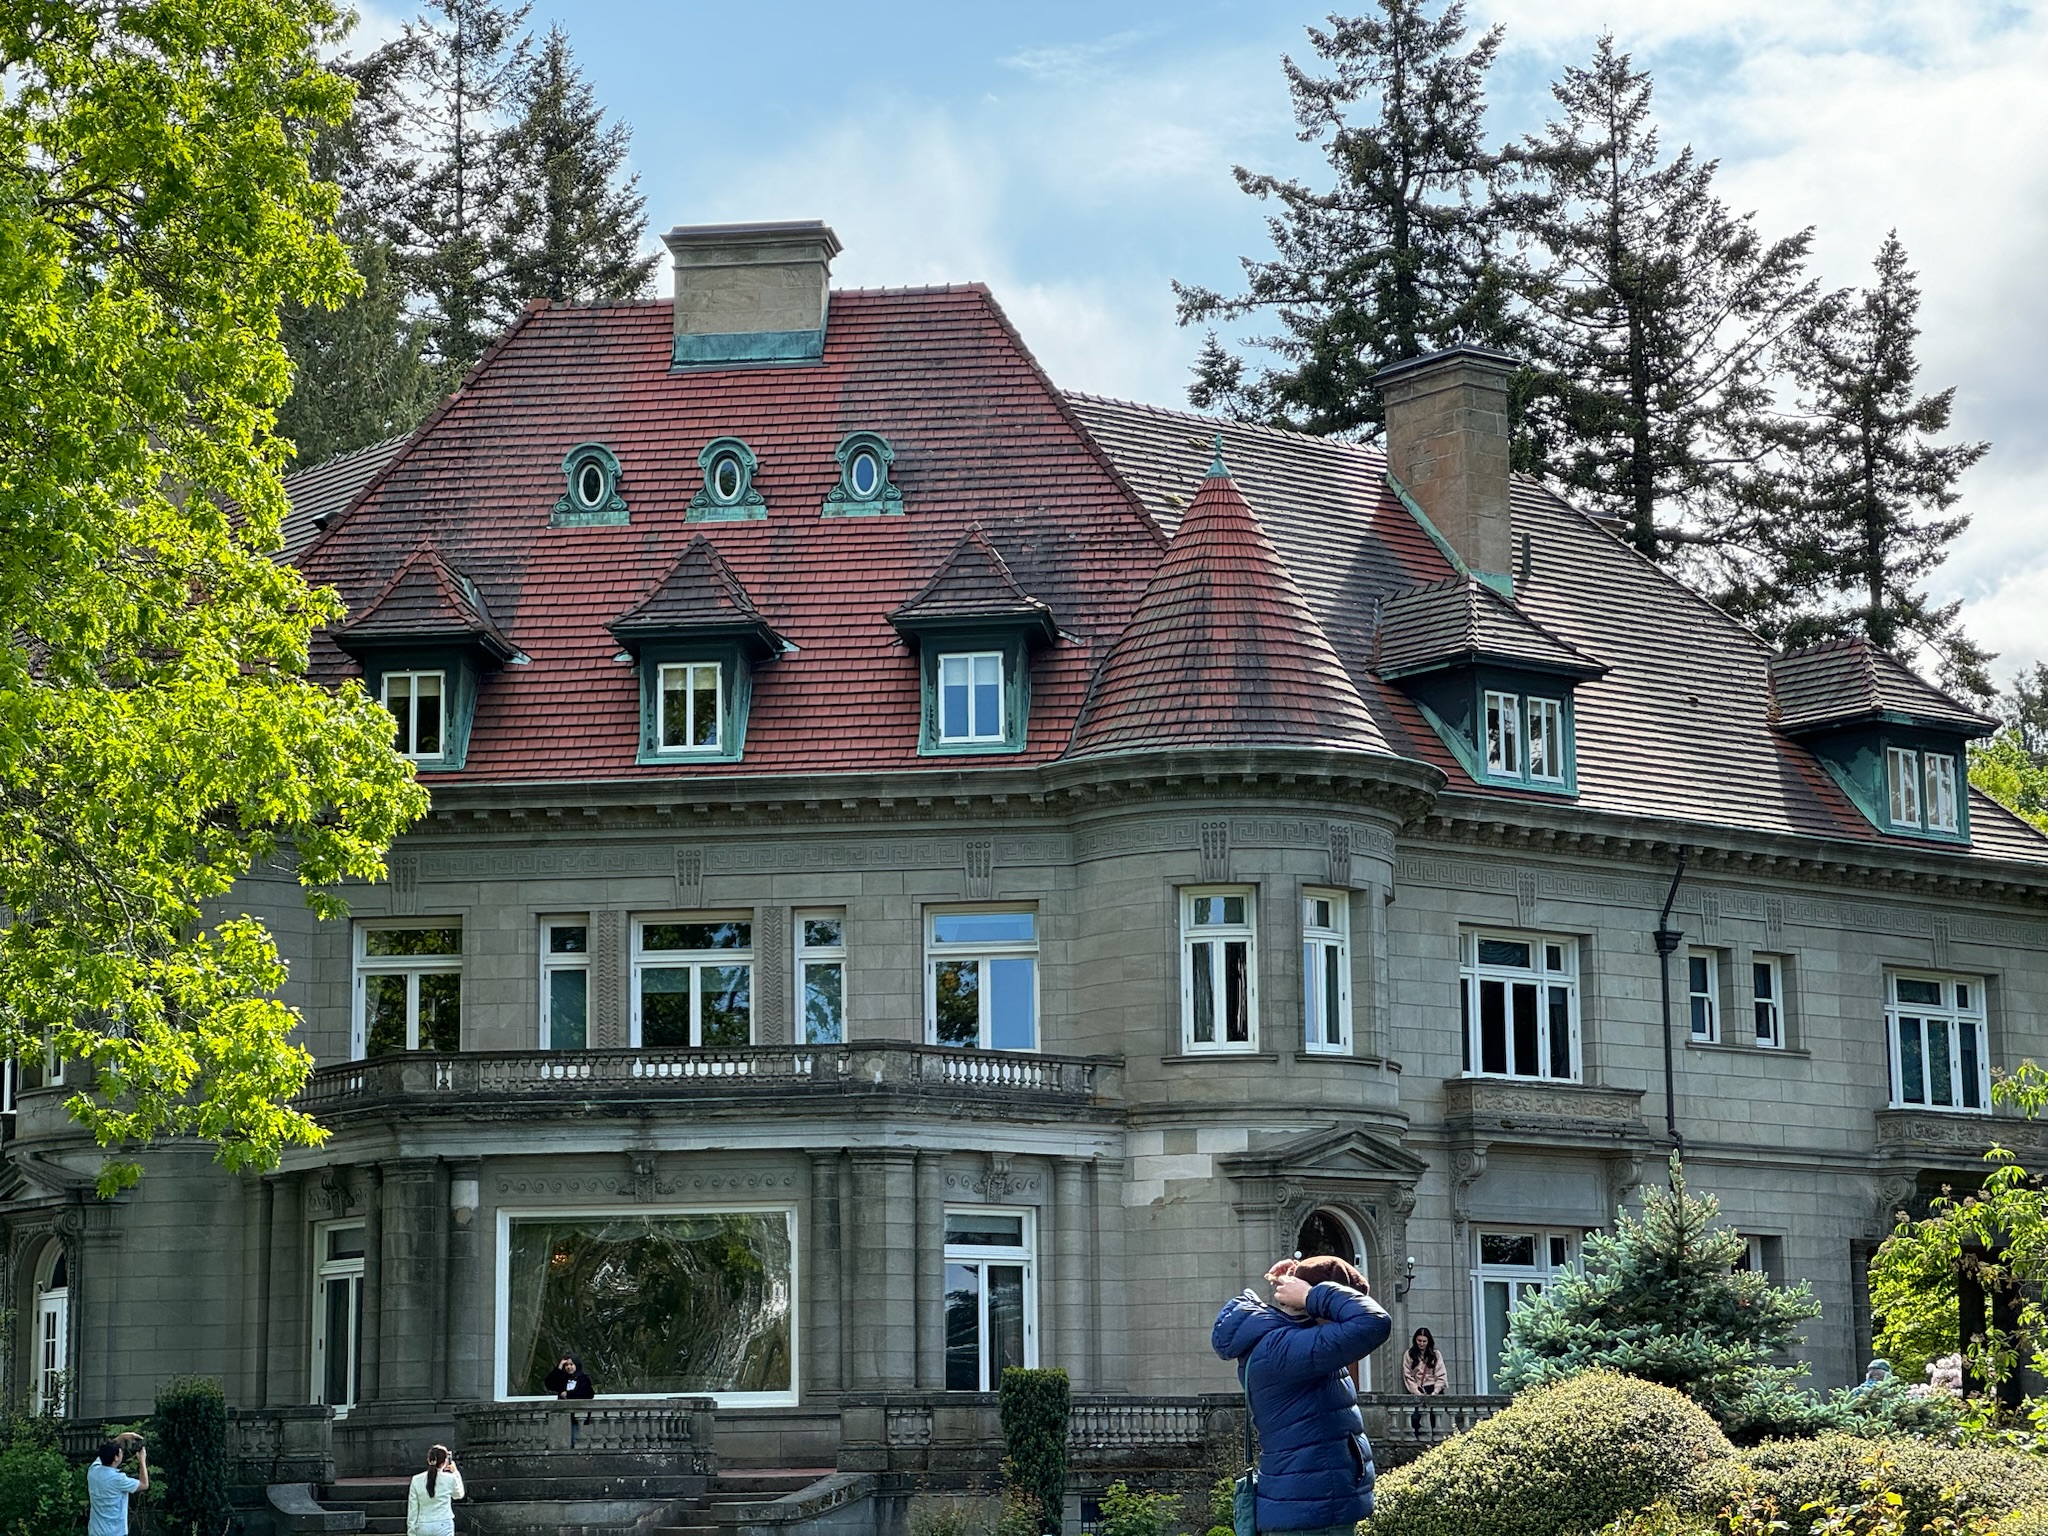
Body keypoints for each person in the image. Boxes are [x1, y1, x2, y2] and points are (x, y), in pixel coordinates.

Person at [1213, 1253, 1393, 1536]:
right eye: (1335, 1310)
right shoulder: (1285, 1348)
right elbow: (1374, 1322)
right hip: (1311, 1513)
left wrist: (1301, 1282)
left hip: (1313, 1505)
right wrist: (1310, 1294)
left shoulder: (1291, 1341)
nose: (1338, 1320)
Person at [87, 1439, 147, 1536]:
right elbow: (144, 1484)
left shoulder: (93, 1470)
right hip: (115, 1532)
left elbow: (105, 1451)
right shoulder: (118, 1479)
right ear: (116, 1458)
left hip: (95, 1531)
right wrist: (142, 1461)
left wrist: (122, 1437)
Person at [406, 1444, 464, 1536]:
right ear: (445, 1461)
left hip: (423, 1524)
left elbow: (413, 1509)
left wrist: (411, 1531)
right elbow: (459, 1494)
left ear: (429, 1460)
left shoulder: (416, 1480)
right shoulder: (450, 1478)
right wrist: (456, 1473)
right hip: (443, 1524)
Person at [1402, 1328, 1447, 1395]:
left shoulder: (1436, 1354)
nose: (1421, 1344)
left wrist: (1435, 1392)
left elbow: (1441, 1375)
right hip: (1417, 1389)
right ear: (1415, 1340)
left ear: (1428, 1341)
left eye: (1424, 1341)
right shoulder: (1409, 1354)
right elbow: (1407, 1376)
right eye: (1419, 1341)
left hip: (1433, 1388)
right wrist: (1416, 1392)